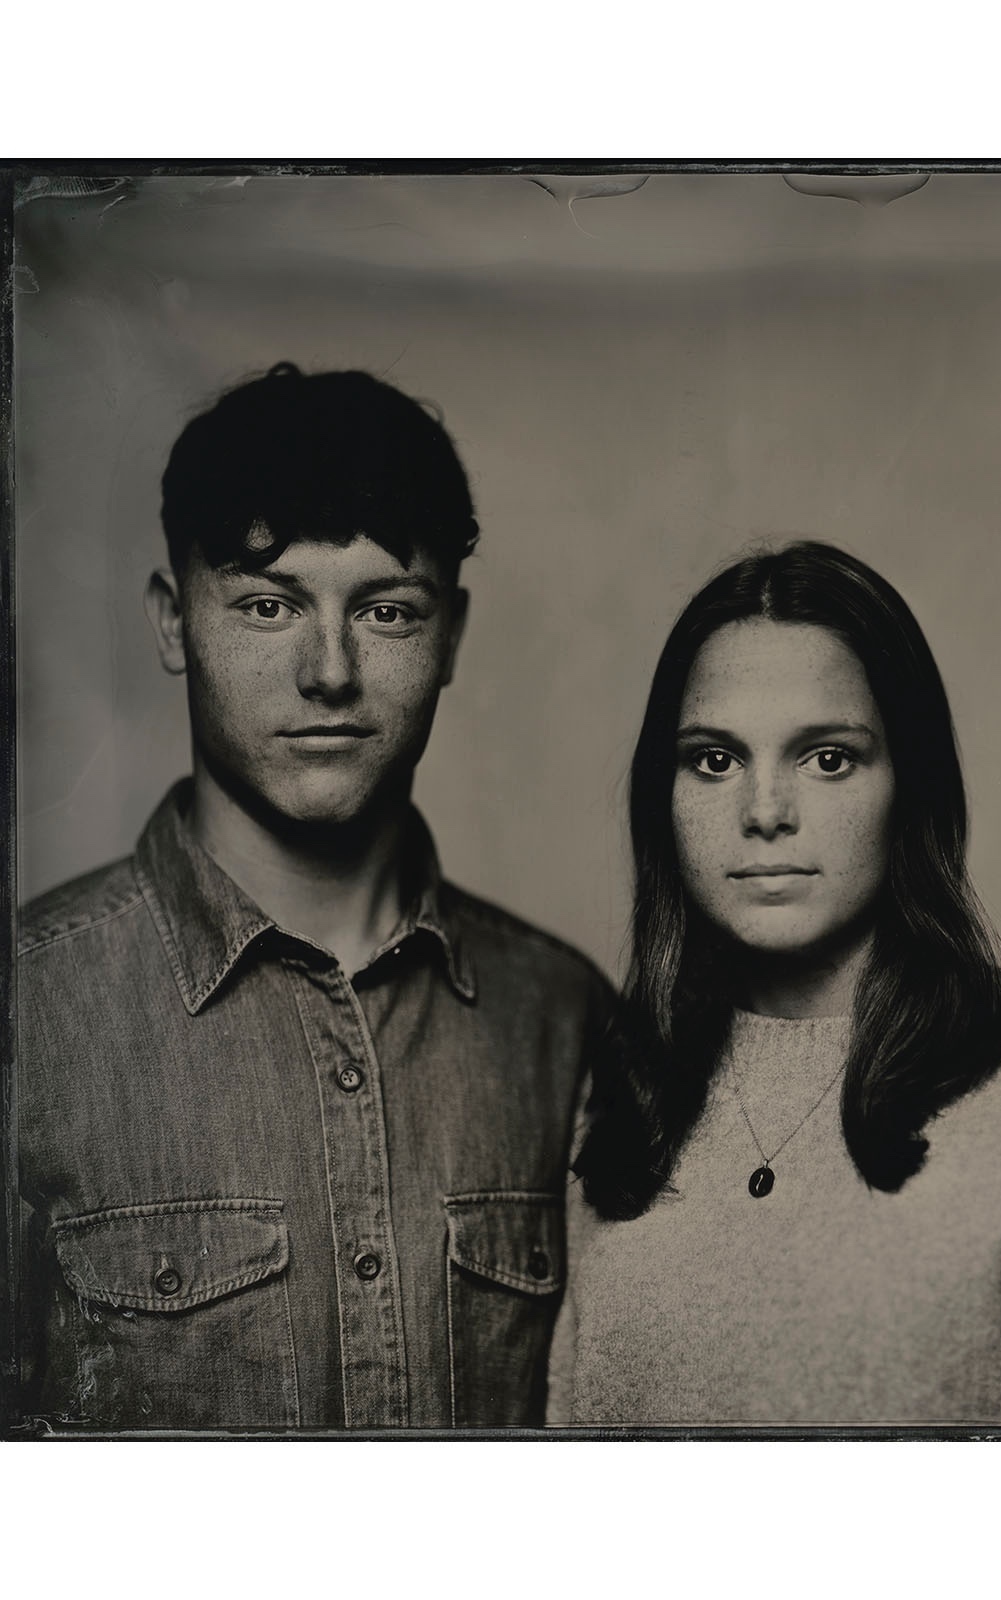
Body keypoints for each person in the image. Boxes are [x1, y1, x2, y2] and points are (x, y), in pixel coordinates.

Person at [15, 363, 610, 1431]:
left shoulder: (564, 1019)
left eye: (385, 609)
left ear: (452, 638)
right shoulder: (33, 1010)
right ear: (170, 623)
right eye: (266, 602)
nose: (328, 670)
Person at [548, 541, 1001, 1426]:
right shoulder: (623, 1107)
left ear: (912, 786)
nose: (764, 813)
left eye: (827, 758)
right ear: (660, 796)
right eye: (714, 760)